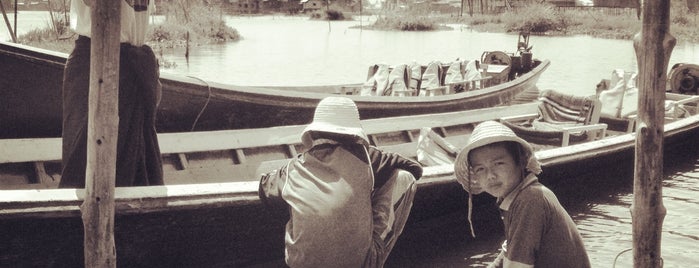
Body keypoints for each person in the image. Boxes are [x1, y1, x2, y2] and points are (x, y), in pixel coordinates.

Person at [259, 96, 423, 267]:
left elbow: (264, 189)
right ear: (354, 136)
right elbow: (414, 168)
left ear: (313, 135)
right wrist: (364, 192)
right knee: (405, 178)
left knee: (293, 197)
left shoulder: (292, 168)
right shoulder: (368, 158)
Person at [454, 121, 590, 268]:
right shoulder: (517, 198)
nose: (490, 176)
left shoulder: (530, 199)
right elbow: (508, 251)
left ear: (520, 161)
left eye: (498, 164)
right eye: (480, 169)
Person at [59, 0, 163, 188]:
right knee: (84, 150)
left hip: (135, 63)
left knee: (139, 154)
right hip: (94, 60)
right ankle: (83, 213)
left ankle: (136, 213)